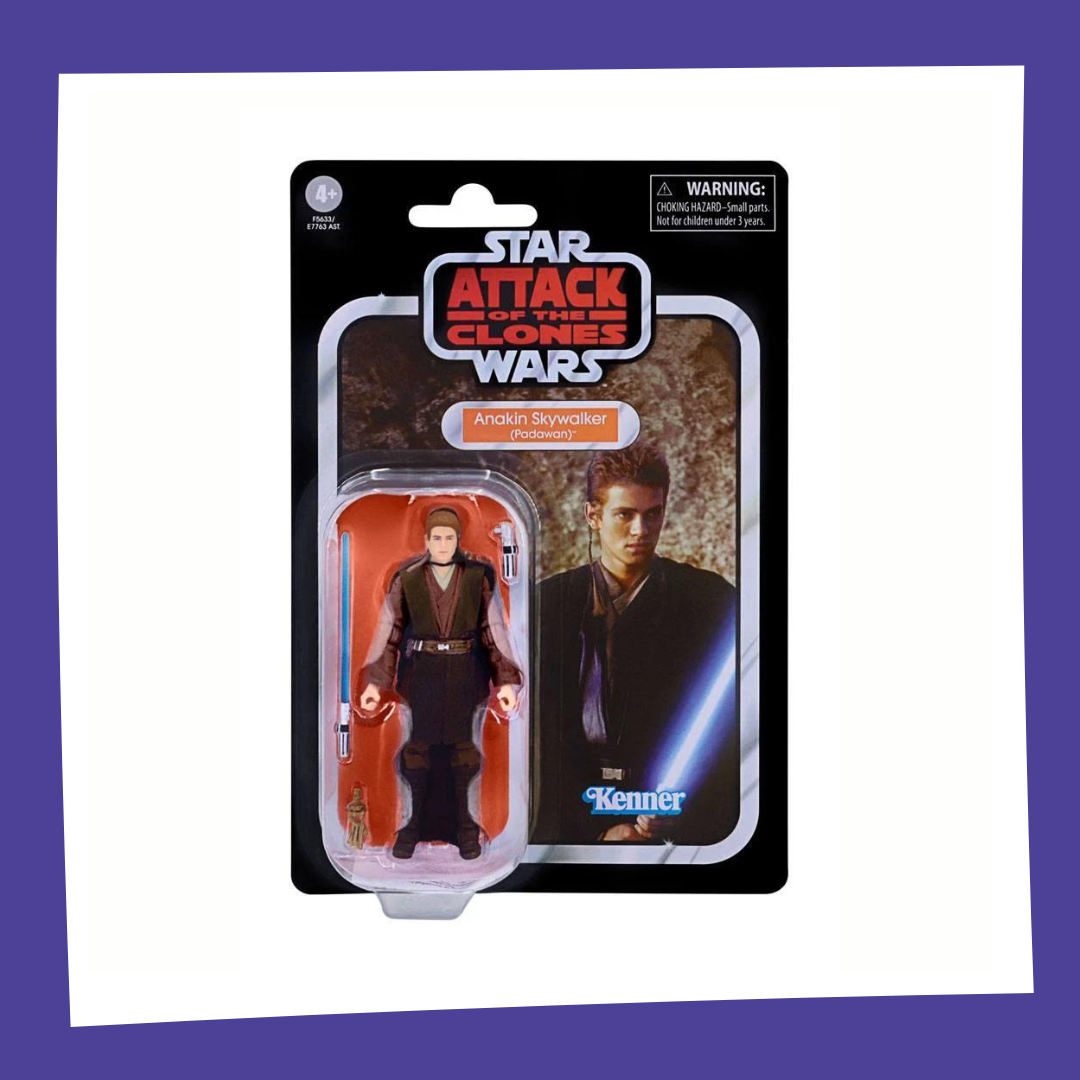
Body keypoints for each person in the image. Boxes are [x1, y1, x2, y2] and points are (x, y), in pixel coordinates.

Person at [536, 443, 738, 844]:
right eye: (624, 514)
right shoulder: (547, 604)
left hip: (677, 817)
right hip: (570, 819)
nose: (640, 531)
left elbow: (727, 728)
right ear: (593, 515)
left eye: (653, 514)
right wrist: (597, 830)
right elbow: (536, 736)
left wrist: (678, 808)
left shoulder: (710, 600)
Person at [357, 507, 521, 860]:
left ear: (457, 539)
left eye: (449, 537)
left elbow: (492, 631)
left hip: (466, 674)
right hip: (421, 675)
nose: (443, 544)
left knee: (465, 754)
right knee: (416, 752)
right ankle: (411, 827)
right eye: (437, 538)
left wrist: (506, 681)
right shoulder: (408, 578)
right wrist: (375, 684)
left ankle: (466, 830)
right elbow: (390, 633)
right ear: (427, 540)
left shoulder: (476, 576)